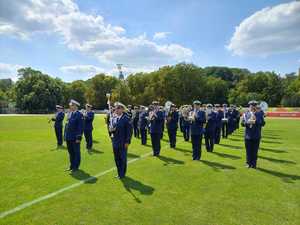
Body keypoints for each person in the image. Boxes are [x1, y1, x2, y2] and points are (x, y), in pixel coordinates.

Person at [241, 100, 265, 169]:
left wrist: (256, 121)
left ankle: (254, 164)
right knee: (248, 151)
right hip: (248, 135)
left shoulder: (259, 114)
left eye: (254, 106)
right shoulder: (246, 114)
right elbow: (242, 123)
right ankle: (248, 163)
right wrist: (247, 122)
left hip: (256, 135)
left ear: (256, 106)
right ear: (249, 106)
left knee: (255, 151)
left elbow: (263, 123)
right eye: (251, 106)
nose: (253, 107)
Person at [111, 102, 132, 179]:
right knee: (117, 158)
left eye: (117, 108)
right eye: (115, 108)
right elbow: (113, 130)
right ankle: (119, 173)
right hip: (115, 142)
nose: (115, 110)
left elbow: (129, 131)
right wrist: (111, 130)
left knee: (122, 159)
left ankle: (122, 174)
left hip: (123, 142)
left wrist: (127, 141)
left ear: (122, 109)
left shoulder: (126, 119)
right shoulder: (114, 118)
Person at [65, 99, 84, 172]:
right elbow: (68, 126)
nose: (70, 107)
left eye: (71, 105)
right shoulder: (71, 114)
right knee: (71, 152)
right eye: (70, 105)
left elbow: (80, 127)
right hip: (69, 137)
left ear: (75, 106)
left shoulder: (79, 115)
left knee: (76, 152)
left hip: (75, 137)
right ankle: (71, 165)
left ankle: (76, 166)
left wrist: (78, 137)